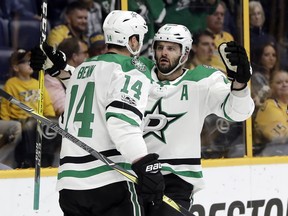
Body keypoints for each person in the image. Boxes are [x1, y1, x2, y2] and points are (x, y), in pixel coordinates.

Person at [31, 22, 255, 215]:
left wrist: (240, 84)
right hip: (133, 174)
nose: (163, 53)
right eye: (160, 47)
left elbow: (239, 112)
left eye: (171, 48)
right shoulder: (137, 71)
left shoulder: (203, 80)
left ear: (185, 53)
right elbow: (97, 83)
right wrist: (59, 69)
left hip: (176, 179)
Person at [31, 10, 165, 216]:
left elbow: (82, 93)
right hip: (109, 180)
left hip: (70, 186)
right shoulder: (130, 69)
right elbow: (122, 121)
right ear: (132, 40)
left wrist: (56, 69)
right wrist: (143, 162)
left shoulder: (84, 68)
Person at [0, 49, 56, 168]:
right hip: (20, 121)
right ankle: (7, 165)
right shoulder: (11, 83)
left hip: (38, 121)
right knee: (20, 130)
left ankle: (52, 164)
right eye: (25, 62)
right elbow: (5, 107)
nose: (30, 64)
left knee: (54, 130)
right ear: (16, 67)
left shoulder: (37, 83)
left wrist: (51, 120)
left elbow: (47, 105)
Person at [253, 70, 288, 156]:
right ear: (271, 87)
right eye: (279, 82)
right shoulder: (268, 107)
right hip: (271, 154)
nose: (285, 85)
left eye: (287, 81)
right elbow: (282, 138)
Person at [206, 1, 234, 72]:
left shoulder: (228, 37)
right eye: (216, 14)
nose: (219, 17)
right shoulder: (203, 39)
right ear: (207, 16)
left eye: (222, 14)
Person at [251, 42, 278, 114]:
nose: (271, 58)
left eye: (274, 55)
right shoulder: (256, 77)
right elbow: (269, 97)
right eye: (266, 55)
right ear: (260, 58)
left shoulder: (276, 76)